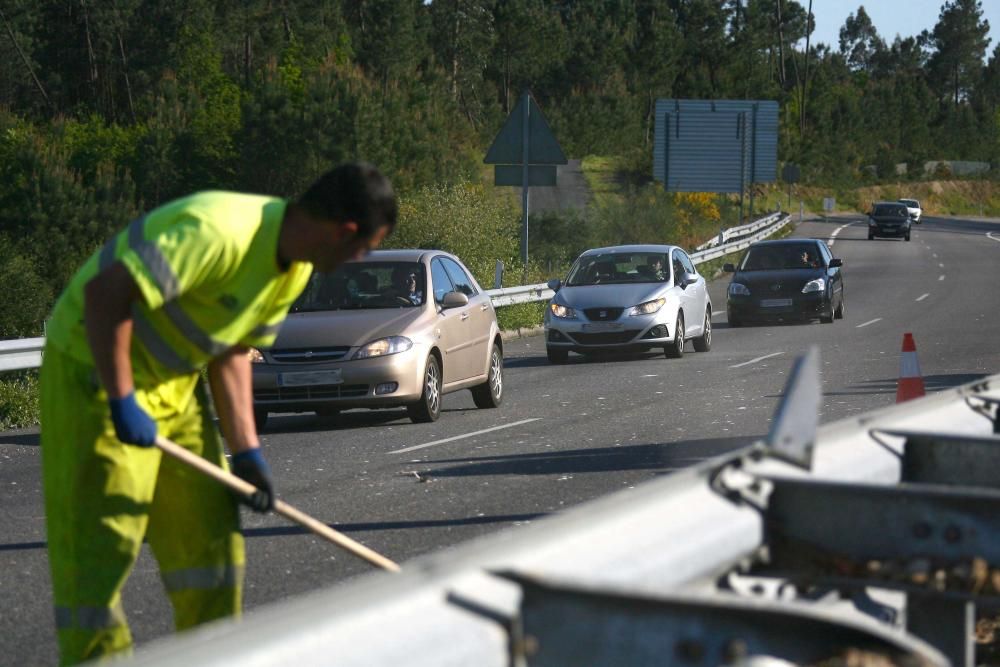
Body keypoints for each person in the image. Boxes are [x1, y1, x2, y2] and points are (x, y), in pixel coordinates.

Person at [39, 162, 397, 665]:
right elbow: (106, 295)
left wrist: (247, 452)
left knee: (209, 544)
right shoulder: (220, 232)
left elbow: (231, 351)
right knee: (102, 547)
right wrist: (121, 398)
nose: (361, 258)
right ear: (345, 231)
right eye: (365, 248)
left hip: (174, 385)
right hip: (93, 373)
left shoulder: (292, 270)